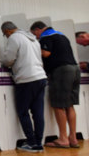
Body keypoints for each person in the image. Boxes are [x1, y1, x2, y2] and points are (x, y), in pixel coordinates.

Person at [30, 21, 81, 149]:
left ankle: (63, 138)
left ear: (37, 29)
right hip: (75, 69)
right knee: (69, 105)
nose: (36, 37)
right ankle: (73, 138)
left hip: (61, 71)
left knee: (58, 105)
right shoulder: (62, 35)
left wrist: (34, 50)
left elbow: (46, 53)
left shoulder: (46, 36)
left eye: (34, 34)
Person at [0, 21, 48, 153]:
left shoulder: (14, 38)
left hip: (26, 79)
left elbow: (9, 59)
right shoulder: (32, 39)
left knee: (23, 111)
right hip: (40, 77)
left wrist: (2, 61)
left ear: (8, 31)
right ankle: (38, 142)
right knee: (38, 112)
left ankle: (31, 142)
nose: (6, 37)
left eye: (5, 35)